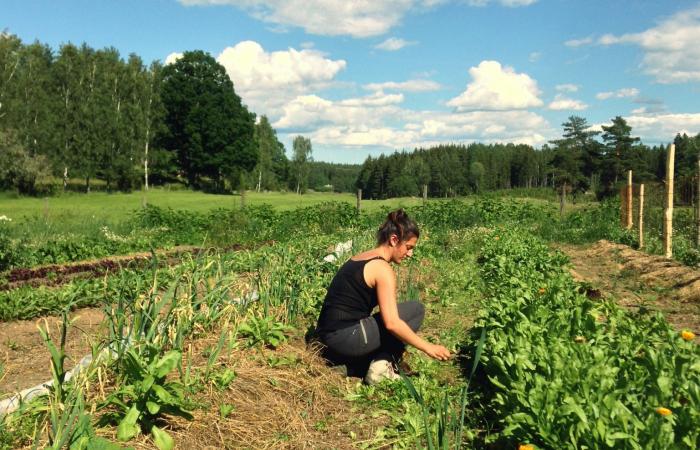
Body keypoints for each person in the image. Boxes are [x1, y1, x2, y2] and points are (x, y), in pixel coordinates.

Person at [315, 209, 451, 384]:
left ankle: (354, 367)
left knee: (398, 316)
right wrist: (428, 347)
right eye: (408, 247)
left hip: (327, 339)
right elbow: (392, 323)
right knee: (416, 310)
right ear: (394, 240)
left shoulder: (360, 257)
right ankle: (380, 366)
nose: (410, 254)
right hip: (345, 338)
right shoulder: (382, 269)